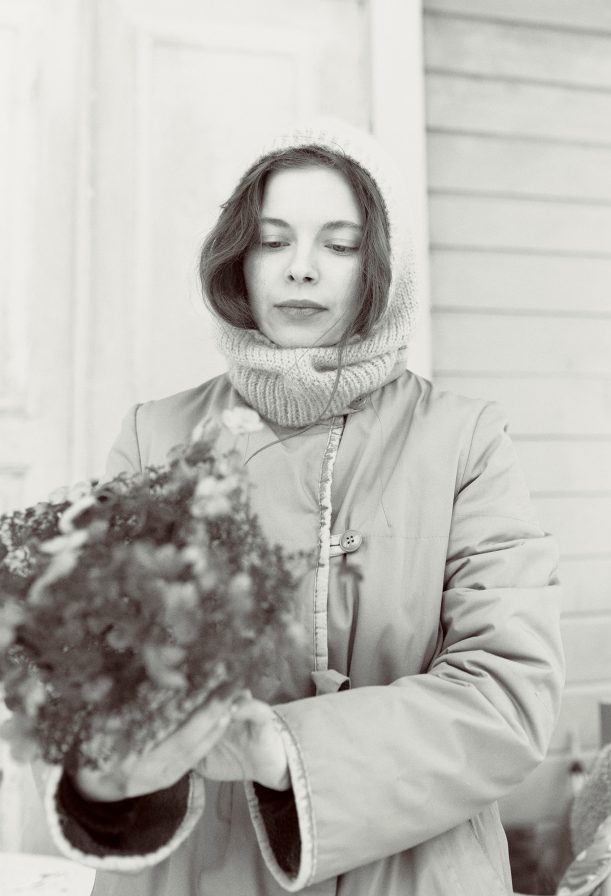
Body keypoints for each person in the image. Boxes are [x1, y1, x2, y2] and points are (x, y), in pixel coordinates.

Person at [42, 120, 564, 895]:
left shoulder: (465, 439)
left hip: (414, 872)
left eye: (341, 244)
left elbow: (510, 690)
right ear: (237, 259)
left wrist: (279, 749)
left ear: (381, 263)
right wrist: (114, 755)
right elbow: (102, 678)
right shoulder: (156, 434)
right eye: (273, 240)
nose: (302, 271)